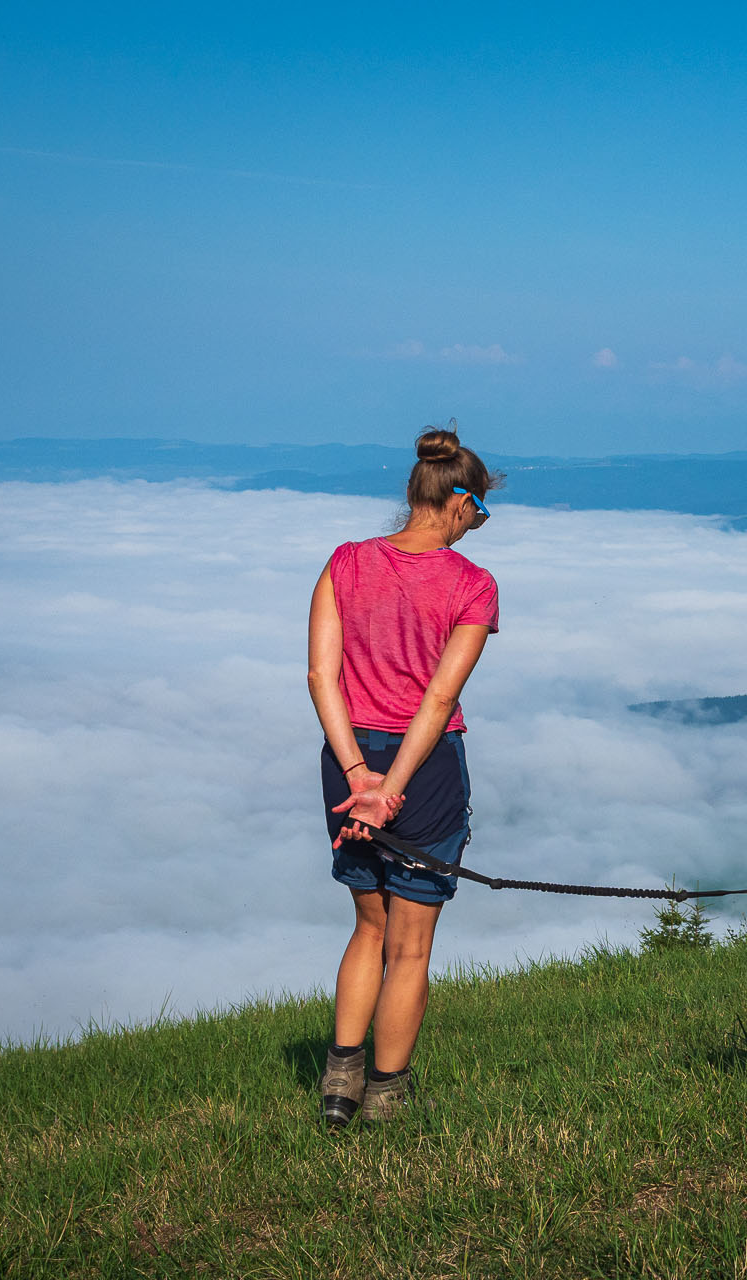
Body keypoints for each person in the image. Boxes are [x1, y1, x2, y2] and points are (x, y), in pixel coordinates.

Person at [305, 423, 500, 1127]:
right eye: (481, 510)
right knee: (410, 945)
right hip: (426, 772)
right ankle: (387, 1098)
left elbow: (320, 676)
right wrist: (391, 788)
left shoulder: (346, 561)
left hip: (346, 764)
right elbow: (439, 700)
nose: (479, 525)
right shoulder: (472, 585)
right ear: (458, 503)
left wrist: (360, 774)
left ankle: (337, 1089)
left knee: (366, 928)